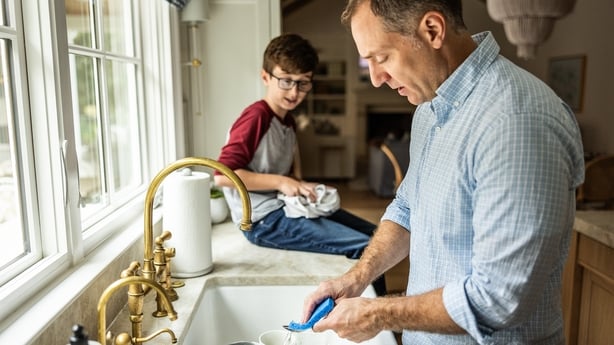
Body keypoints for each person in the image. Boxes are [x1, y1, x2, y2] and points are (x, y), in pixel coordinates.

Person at [300, 1, 585, 344]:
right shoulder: (428, 108)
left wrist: (377, 313)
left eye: (381, 57)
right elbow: (407, 209)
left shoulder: (518, 122)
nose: (376, 79)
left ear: (432, 30)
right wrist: (356, 279)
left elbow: (496, 300)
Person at [214, 33, 386, 295]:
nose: (294, 92)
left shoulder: (288, 121)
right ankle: (376, 319)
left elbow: (283, 174)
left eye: (303, 83)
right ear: (265, 77)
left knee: (377, 236)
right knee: (365, 247)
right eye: (286, 81)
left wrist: (301, 185)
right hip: (262, 222)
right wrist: (283, 182)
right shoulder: (256, 117)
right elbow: (223, 176)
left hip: (283, 208)